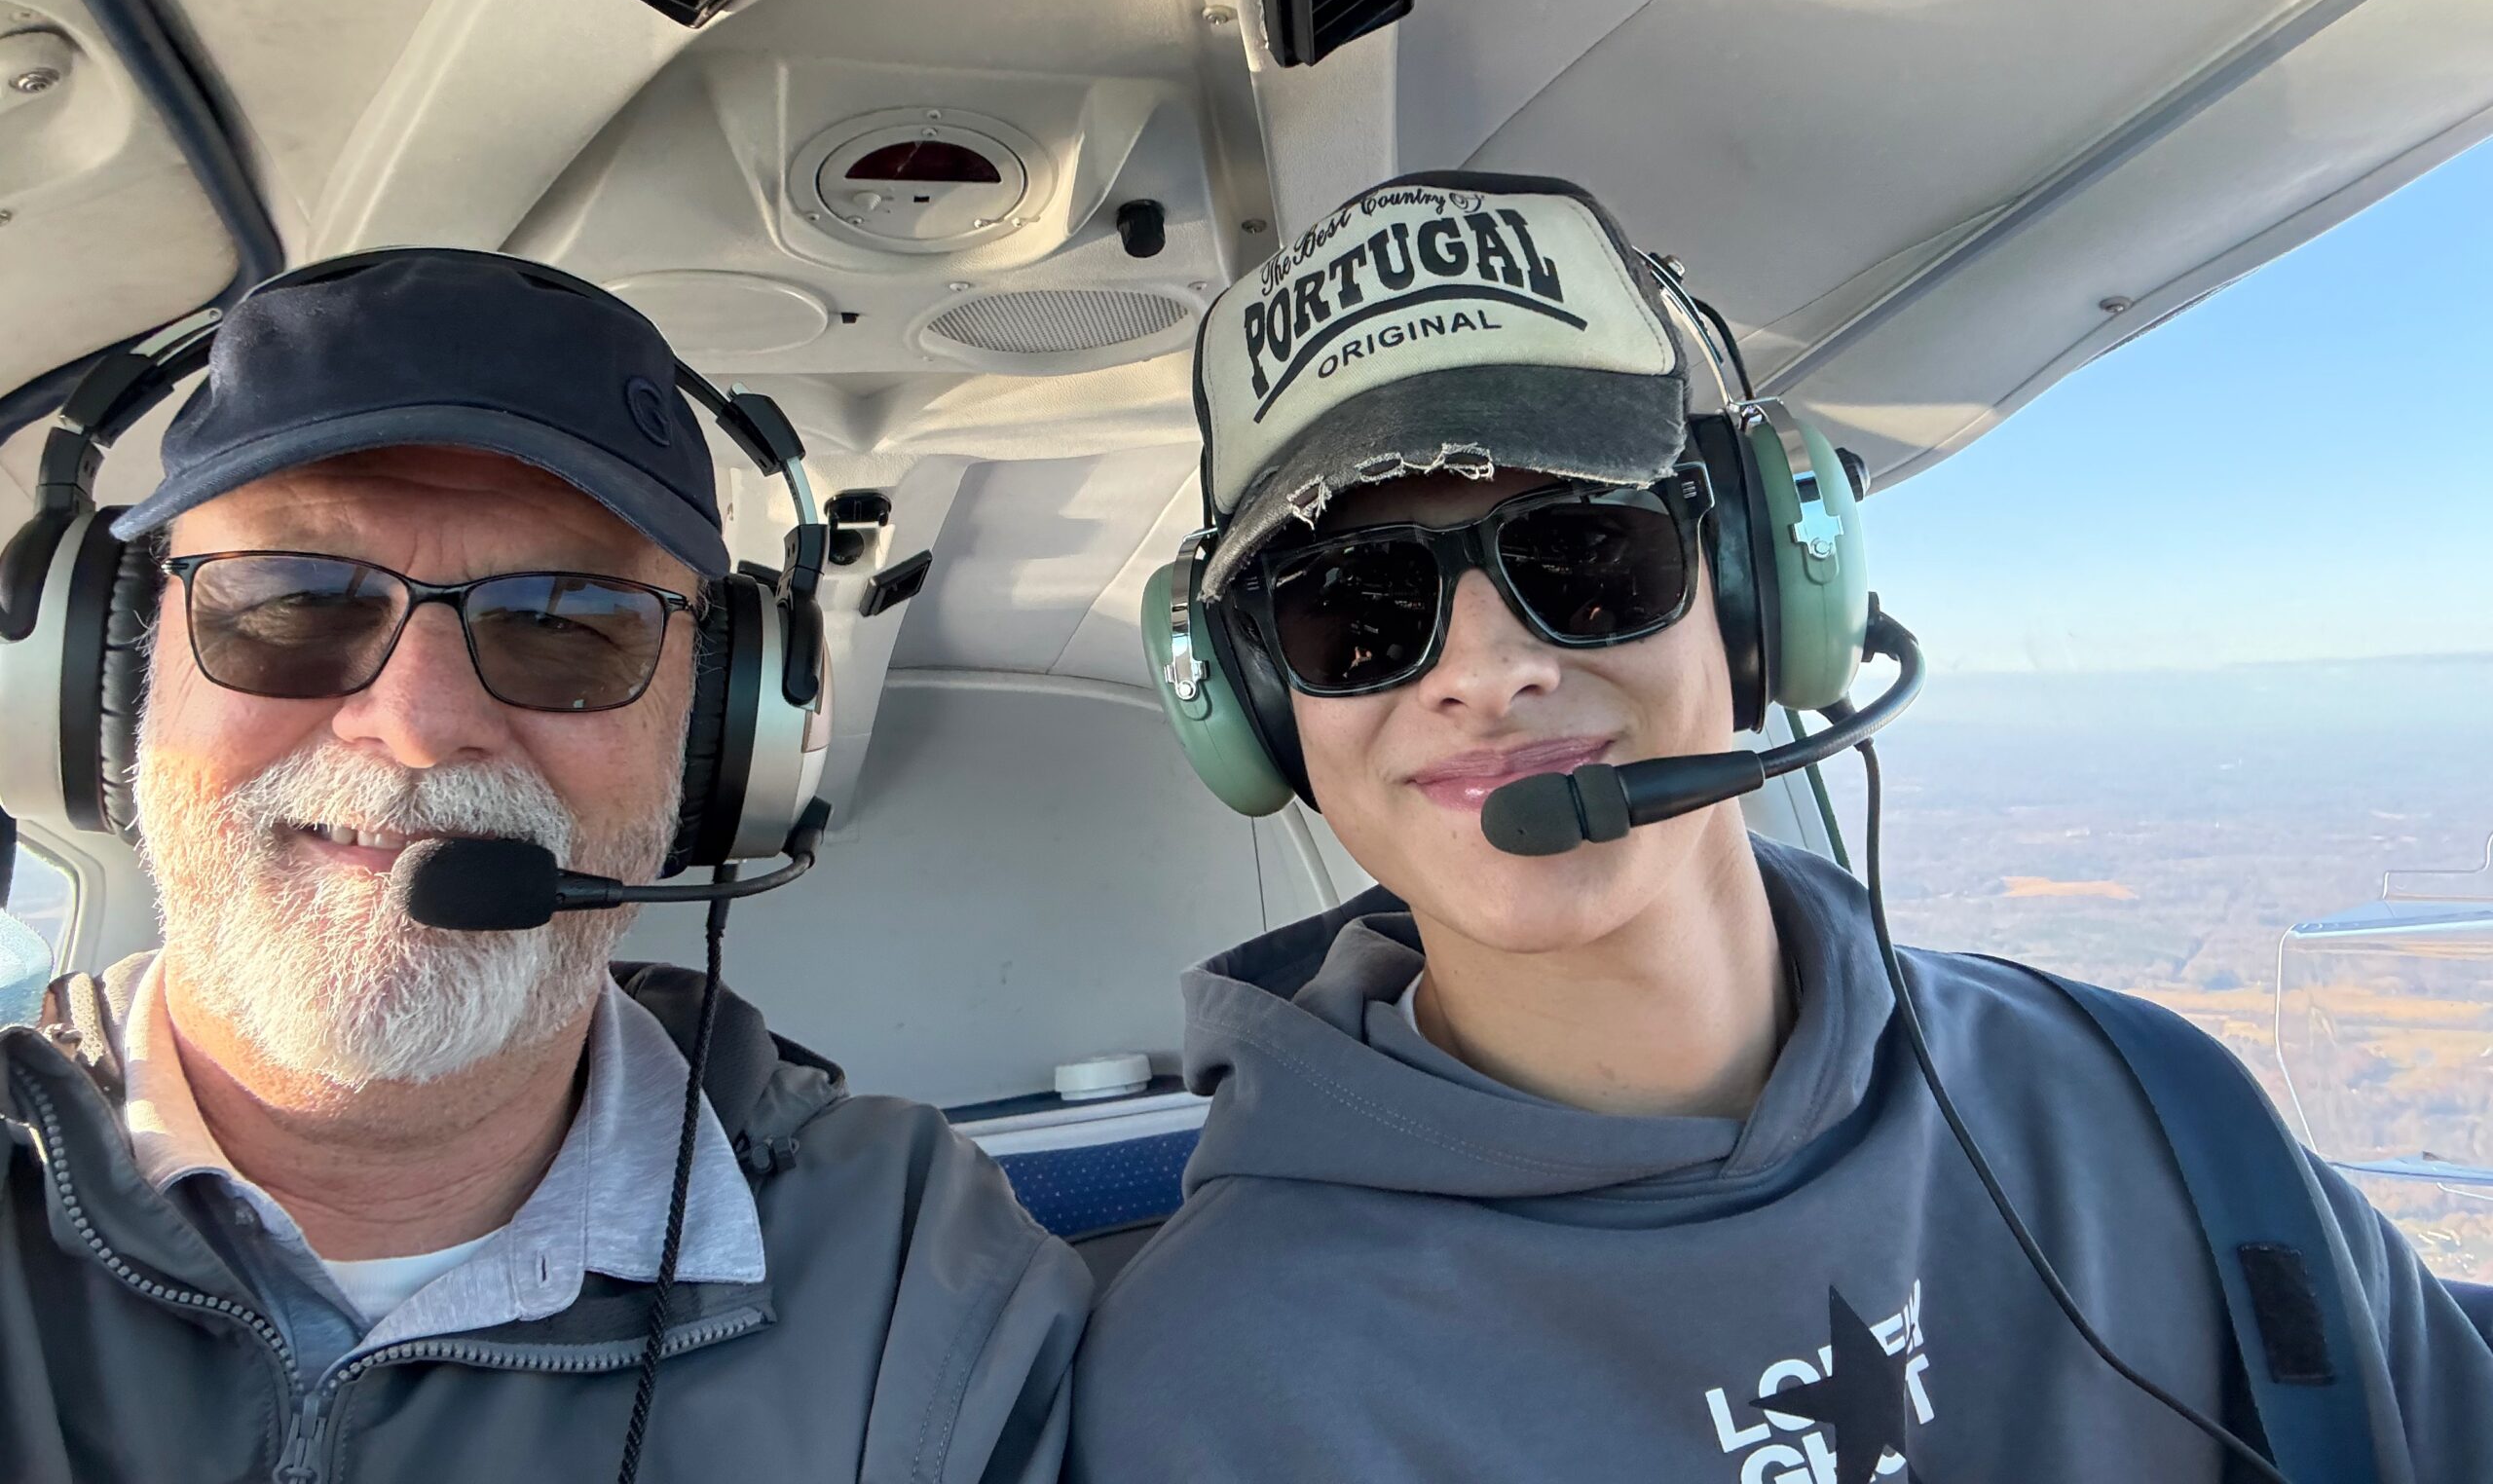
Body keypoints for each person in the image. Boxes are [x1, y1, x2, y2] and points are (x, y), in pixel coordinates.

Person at [1071, 172, 2493, 1482]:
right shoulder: (1212, 1395)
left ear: (1763, 590)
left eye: (1587, 551)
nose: (1486, 672)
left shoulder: (2154, 1111)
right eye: (1355, 608)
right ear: (1257, 704)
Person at [0, 252, 1087, 1483]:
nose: (417, 725)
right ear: (108, 673)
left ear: (720, 736)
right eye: (294, 598)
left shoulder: (910, 1273)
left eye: (565, 622)